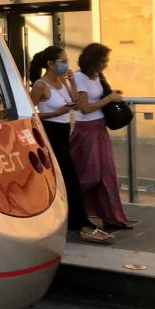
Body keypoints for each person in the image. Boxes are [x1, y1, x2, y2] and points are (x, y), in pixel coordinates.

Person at [28, 46, 111, 244]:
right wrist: (54, 113)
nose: (66, 65)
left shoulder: (63, 81)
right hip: (50, 132)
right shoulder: (40, 86)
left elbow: (76, 100)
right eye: (62, 61)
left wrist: (72, 82)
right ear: (51, 64)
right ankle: (81, 223)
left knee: (65, 178)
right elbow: (29, 113)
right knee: (71, 177)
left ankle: (70, 219)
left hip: (65, 131)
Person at [70, 42, 136, 231]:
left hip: (99, 128)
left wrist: (110, 96)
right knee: (90, 175)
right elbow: (84, 108)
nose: (106, 64)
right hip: (87, 130)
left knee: (107, 173)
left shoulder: (97, 76)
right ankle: (75, 209)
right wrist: (109, 99)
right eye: (103, 61)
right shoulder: (79, 78)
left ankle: (112, 216)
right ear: (94, 61)